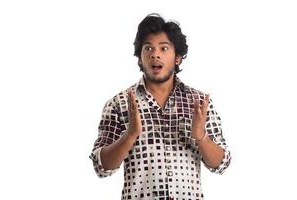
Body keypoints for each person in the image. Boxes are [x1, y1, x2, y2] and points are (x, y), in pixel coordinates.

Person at [89, 13, 231, 200]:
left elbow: (221, 164)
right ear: (139, 58)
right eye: (148, 48)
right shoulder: (119, 103)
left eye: (164, 48)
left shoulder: (199, 103)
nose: (155, 54)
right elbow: (102, 167)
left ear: (178, 57)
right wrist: (130, 135)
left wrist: (201, 137)